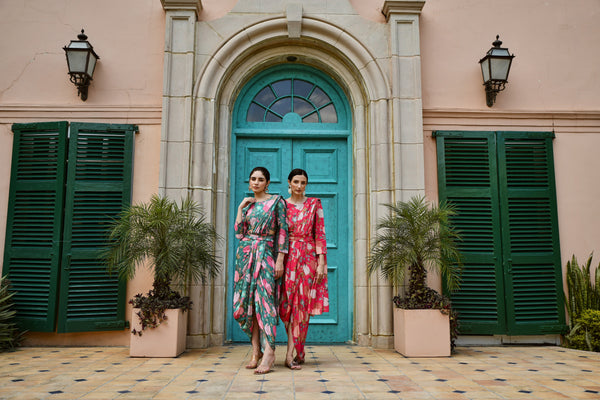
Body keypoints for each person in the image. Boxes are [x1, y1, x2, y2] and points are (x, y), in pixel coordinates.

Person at [233, 166, 288, 374]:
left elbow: (283, 231)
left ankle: (269, 352)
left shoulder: (276, 202)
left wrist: (280, 259)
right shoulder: (247, 206)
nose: (256, 182)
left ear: (267, 183)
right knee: (247, 305)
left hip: (266, 254)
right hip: (245, 257)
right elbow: (239, 234)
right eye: (253, 179)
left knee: (265, 303)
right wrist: (240, 208)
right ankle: (255, 351)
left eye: (260, 179)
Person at [279, 168, 328, 370]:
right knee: (285, 307)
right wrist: (278, 260)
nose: (299, 186)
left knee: (301, 308)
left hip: (308, 259)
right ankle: (299, 349)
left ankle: (289, 355)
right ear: (289, 183)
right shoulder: (281, 205)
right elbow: (278, 234)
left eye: (303, 183)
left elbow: (320, 233)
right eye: (296, 182)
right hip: (287, 257)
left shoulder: (314, 204)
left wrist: (321, 262)